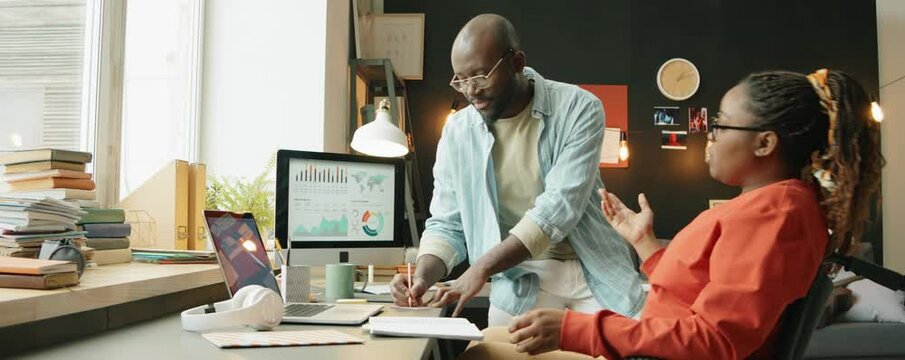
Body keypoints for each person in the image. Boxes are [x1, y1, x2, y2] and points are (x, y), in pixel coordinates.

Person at [499, 69, 884, 359]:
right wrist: (644, 243)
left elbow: (716, 340)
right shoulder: (776, 207)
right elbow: (697, 292)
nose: (710, 137)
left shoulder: (776, 216)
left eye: (720, 125)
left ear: (765, 142)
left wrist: (578, 330)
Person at [388, 13, 645, 326]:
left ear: (517, 62)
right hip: (521, 274)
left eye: (481, 76)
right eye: (461, 79)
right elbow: (446, 223)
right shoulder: (457, 132)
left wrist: (481, 268)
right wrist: (422, 277)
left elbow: (558, 209)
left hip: (594, 267)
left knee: (639, 346)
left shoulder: (580, 108)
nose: (471, 90)